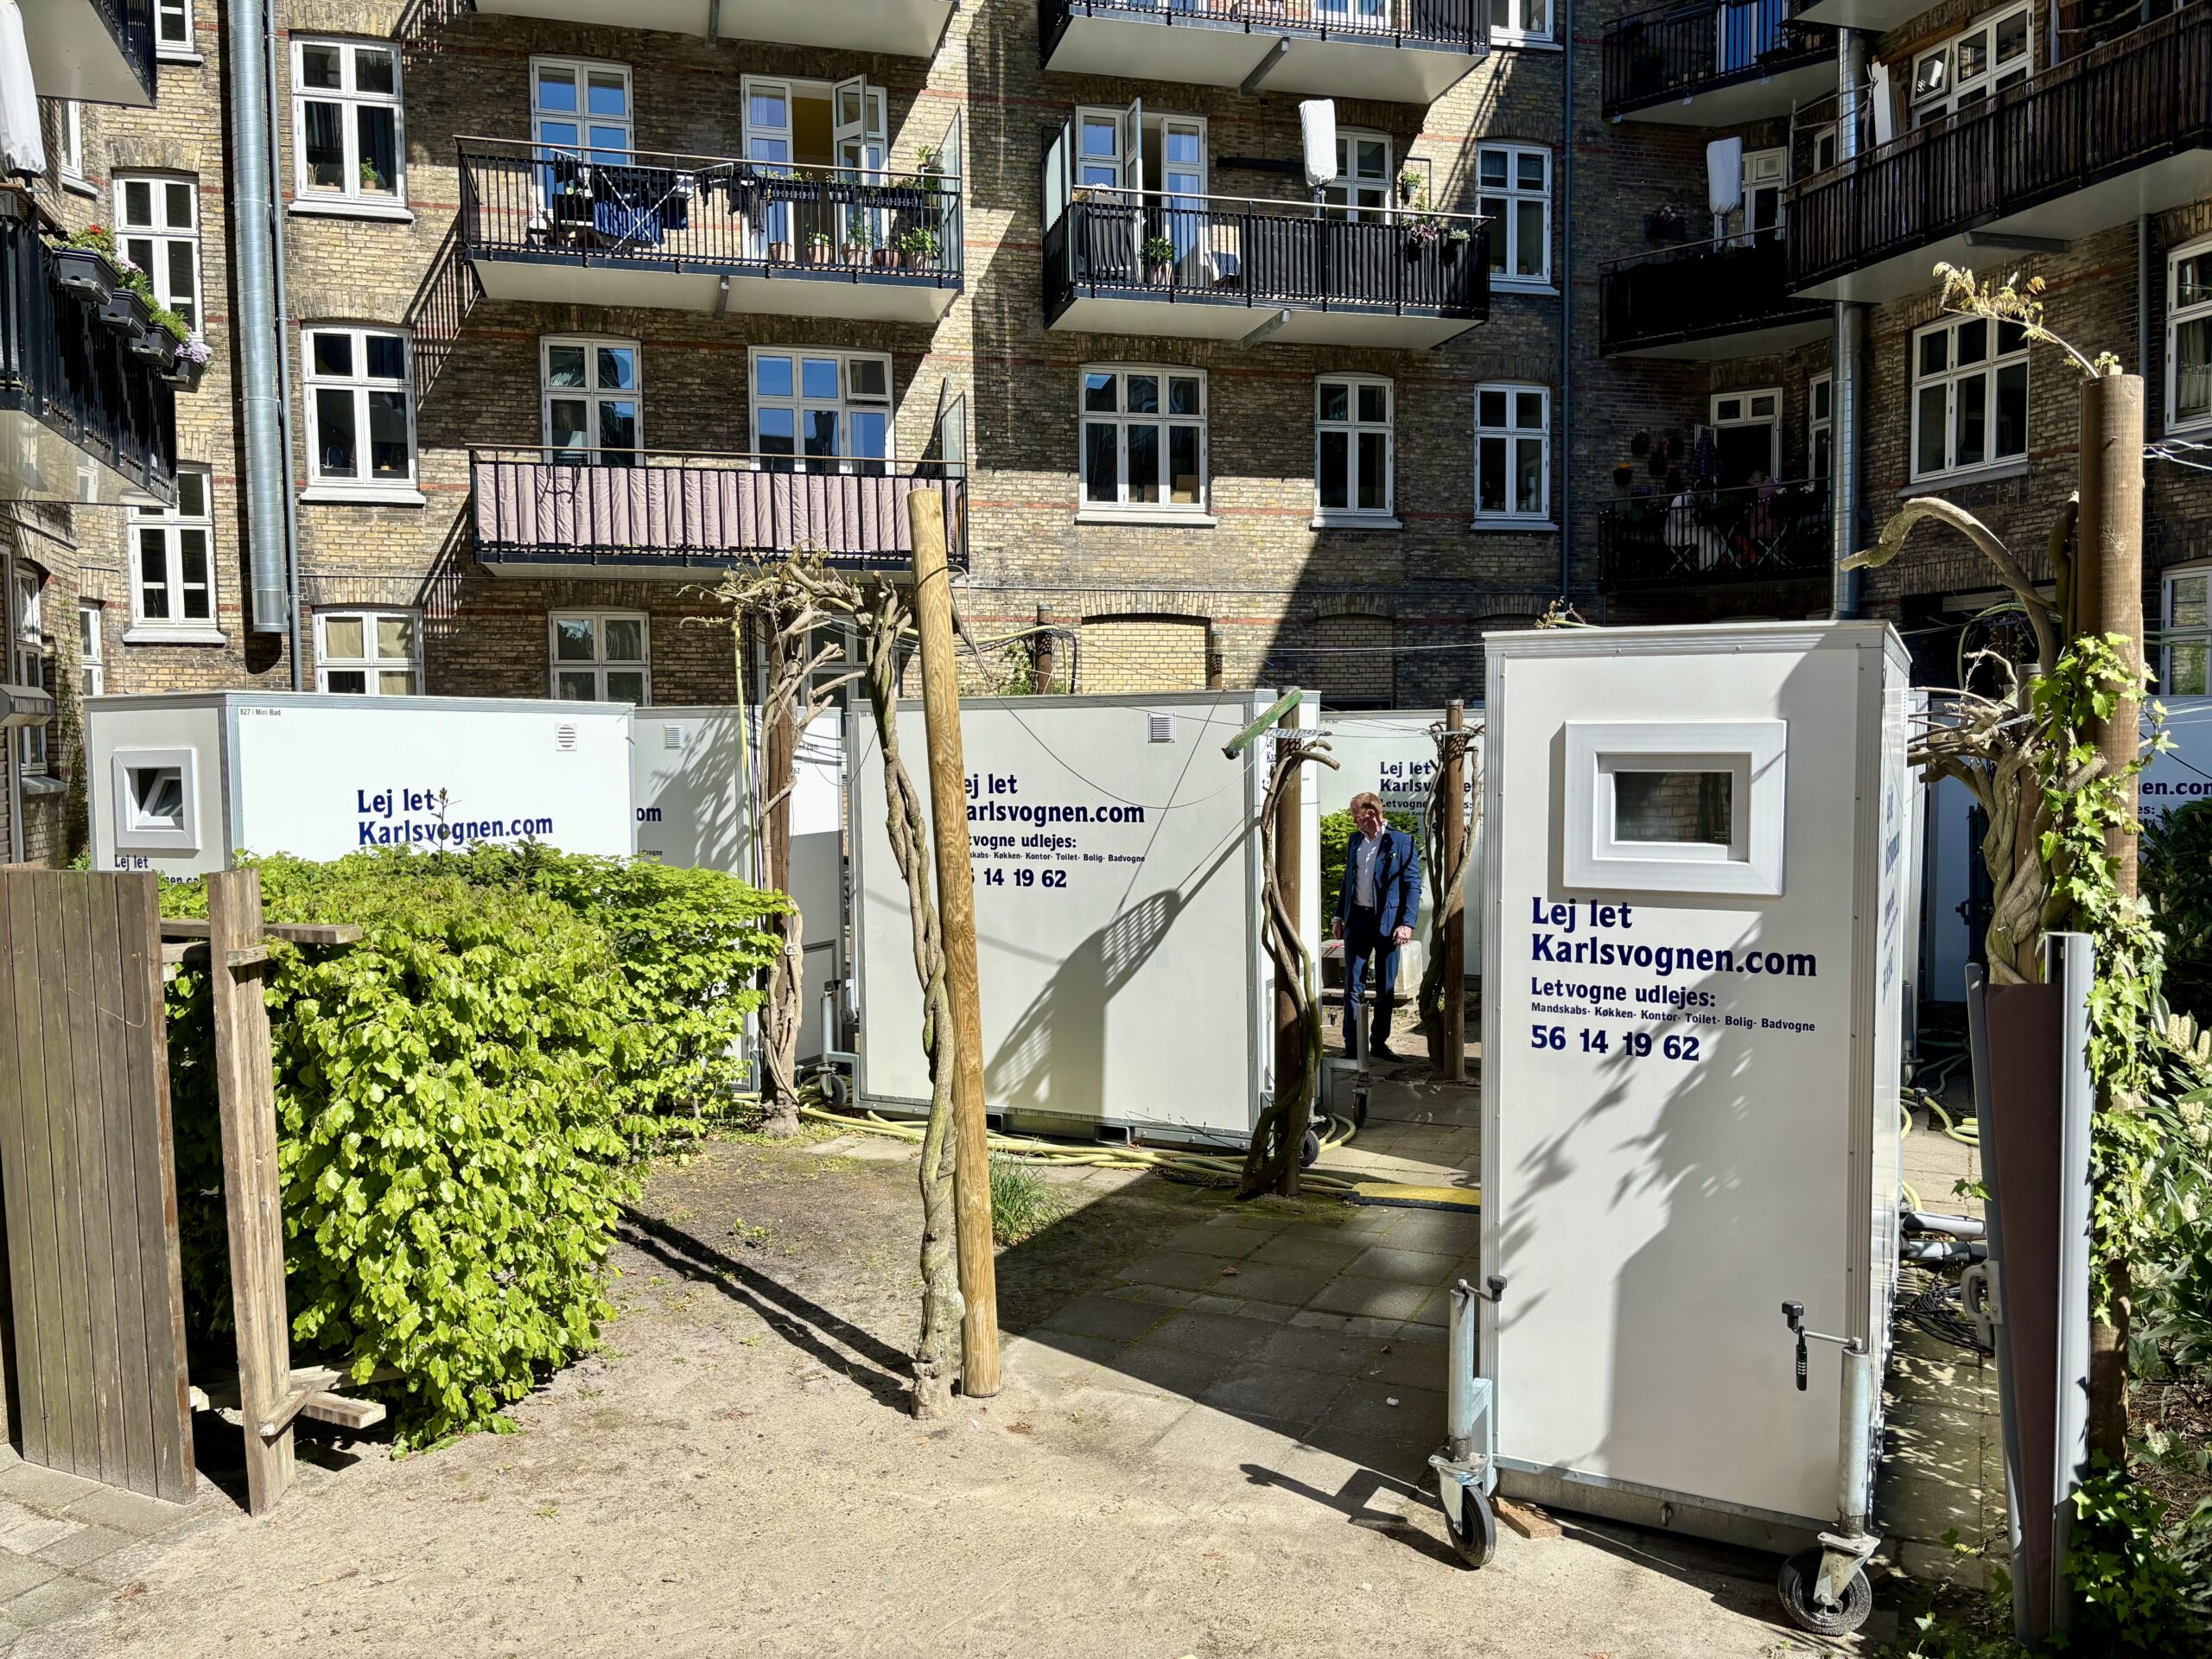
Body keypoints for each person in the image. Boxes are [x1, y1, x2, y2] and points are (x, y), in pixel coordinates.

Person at [1332, 791, 1421, 1061]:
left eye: (1356, 815)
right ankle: (1353, 1046)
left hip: (1388, 923)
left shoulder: (1400, 841)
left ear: (1370, 814)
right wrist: (1339, 915)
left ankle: (1379, 1043)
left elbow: (1412, 884)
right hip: (1357, 920)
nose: (1353, 820)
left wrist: (1407, 923)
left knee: (1385, 988)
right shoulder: (1354, 841)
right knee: (1352, 985)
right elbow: (1348, 879)